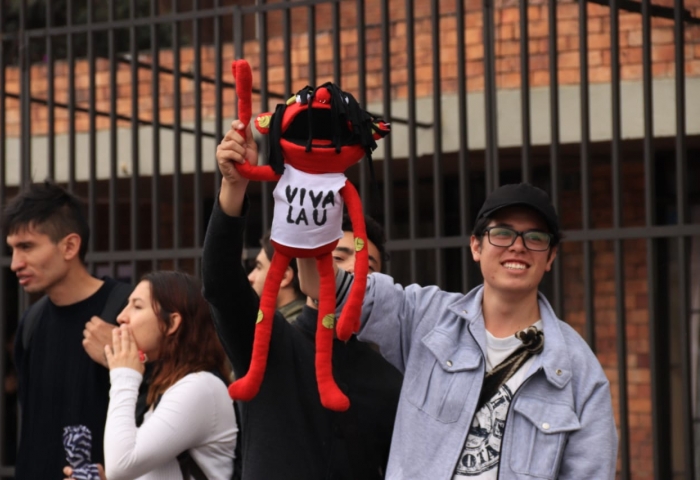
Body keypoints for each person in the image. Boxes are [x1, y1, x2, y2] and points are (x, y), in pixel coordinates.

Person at [299, 182, 619, 479]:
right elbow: (318, 283)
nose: (518, 247)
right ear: (476, 246)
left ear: (550, 256)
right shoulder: (424, 316)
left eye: (535, 238)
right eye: (503, 233)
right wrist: (306, 189)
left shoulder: (577, 371)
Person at [202, 120, 402, 479]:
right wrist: (234, 186)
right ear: (309, 260)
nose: (350, 271)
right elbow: (219, 282)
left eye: (366, 264)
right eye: (338, 257)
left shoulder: (391, 377)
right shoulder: (270, 344)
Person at [3, 180, 131, 480]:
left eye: (26, 247)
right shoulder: (31, 322)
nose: (14, 264)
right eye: (12, 249)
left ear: (70, 246)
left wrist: (118, 361)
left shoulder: (126, 310)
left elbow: (160, 404)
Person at [65, 271, 238, 480]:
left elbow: (121, 466)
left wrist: (123, 374)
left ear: (172, 323)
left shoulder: (200, 387)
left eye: (137, 306)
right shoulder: (171, 385)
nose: (121, 317)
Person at [248, 231, 306, 323]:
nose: (250, 277)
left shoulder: (287, 330)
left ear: (283, 276)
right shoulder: (302, 322)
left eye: (259, 267)